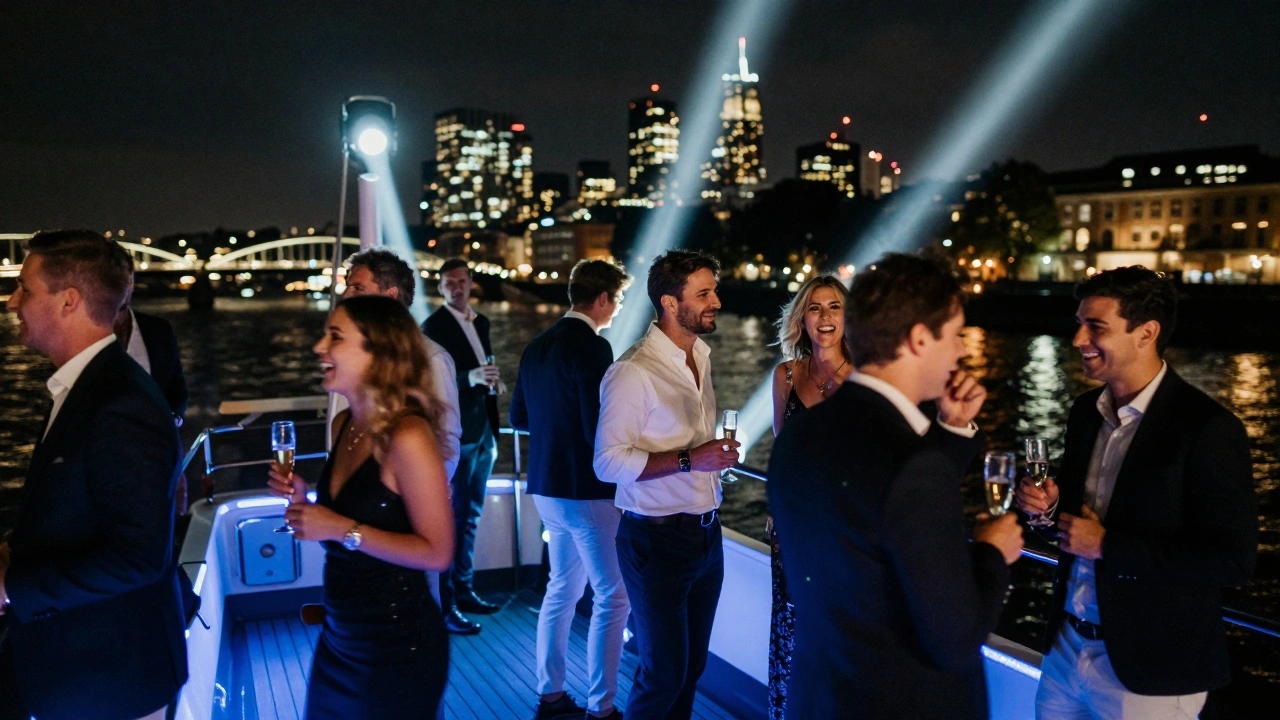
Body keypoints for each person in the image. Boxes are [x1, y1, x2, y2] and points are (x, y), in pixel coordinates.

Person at [767, 252, 1024, 719]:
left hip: (821, 697)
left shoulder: (800, 436)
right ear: (921, 338)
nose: (962, 351)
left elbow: (872, 512)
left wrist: (950, 429)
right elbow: (955, 638)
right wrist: (992, 552)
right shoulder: (914, 465)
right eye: (956, 334)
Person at [1014, 266, 1256, 720]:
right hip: (1066, 650)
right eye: (1079, 323)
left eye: (1096, 327)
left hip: (1152, 672)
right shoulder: (1086, 411)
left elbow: (1232, 561)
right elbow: (1072, 522)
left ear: (1147, 333)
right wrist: (1046, 511)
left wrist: (1107, 545)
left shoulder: (1208, 429)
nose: (1078, 339)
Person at [0, 230, 187, 720]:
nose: (11, 300)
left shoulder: (119, 402)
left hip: (112, 678)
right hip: (86, 668)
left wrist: (11, 588)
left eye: (25, 288)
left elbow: (139, 557)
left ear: (69, 300)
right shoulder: (90, 384)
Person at [267, 294, 455, 719]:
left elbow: (438, 553)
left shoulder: (407, 436)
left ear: (379, 351)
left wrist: (339, 527)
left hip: (396, 645)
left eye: (335, 337)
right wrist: (304, 501)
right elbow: (353, 522)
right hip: (339, 638)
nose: (319, 347)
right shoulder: (344, 424)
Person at [594, 250, 741, 720]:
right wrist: (690, 459)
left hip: (705, 536)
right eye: (704, 293)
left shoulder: (700, 355)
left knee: (691, 666)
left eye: (713, 290)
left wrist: (709, 461)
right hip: (655, 541)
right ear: (670, 303)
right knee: (663, 673)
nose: (716, 300)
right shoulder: (633, 371)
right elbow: (607, 463)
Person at [510, 259, 632, 720]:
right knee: (612, 596)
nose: (617, 309)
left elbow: (518, 418)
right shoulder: (593, 347)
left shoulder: (536, 347)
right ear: (601, 299)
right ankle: (602, 708)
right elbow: (595, 428)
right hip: (586, 490)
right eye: (617, 300)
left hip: (545, 487)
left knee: (561, 589)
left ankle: (552, 695)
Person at [765, 275, 853, 720]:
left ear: (846, 316)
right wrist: (777, 515)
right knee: (792, 633)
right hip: (795, 534)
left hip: (844, 536)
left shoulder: (865, 380)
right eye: (815, 308)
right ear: (802, 317)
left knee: (839, 639)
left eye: (834, 307)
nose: (825, 317)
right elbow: (782, 457)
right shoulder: (785, 375)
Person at [423, 258, 502, 634]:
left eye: (461, 281)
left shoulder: (481, 321)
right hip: (460, 434)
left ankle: (466, 590)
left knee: (471, 515)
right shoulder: (432, 327)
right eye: (448, 282)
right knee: (454, 518)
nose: (456, 287)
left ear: (471, 283)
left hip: (485, 427)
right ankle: (449, 601)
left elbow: (486, 364)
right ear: (439, 288)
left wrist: (492, 382)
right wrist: (470, 377)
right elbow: (431, 381)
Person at [343, 247, 462, 479]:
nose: (346, 296)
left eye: (357, 288)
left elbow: (447, 441)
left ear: (390, 296)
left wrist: (422, 497)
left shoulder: (431, 360)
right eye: (347, 287)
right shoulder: (350, 358)